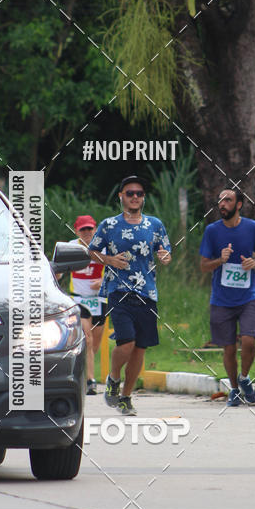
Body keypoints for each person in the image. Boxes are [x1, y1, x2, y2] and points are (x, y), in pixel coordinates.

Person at [88, 176, 172, 415]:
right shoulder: (109, 225)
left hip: (147, 292)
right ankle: (113, 379)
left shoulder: (154, 224)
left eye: (139, 193)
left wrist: (165, 258)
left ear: (143, 198)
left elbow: (165, 252)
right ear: (121, 196)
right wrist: (110, 260)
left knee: (140, 348)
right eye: (130, 193)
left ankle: (126, 397)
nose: (135, 197)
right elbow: (91, 250)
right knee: (127, 342)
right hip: (118, 290)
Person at [199, 188, 255, 406]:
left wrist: (254, 262)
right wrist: (220, 259)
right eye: (220, 200)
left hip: (248, 295)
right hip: (221, 299)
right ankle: (234, 390)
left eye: (227, 200)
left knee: (248, 340)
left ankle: (244, 378)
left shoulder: (252, 228)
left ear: (238, 205)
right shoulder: (212, 231)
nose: (222, 204)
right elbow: (203, 266)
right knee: (228, 347)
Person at [68, 215, 106, 395]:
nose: (87, 233)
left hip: (99, 299)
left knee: (94, 344)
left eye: (90, 229)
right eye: (83, 230)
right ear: (77, 231)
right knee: (87, 339)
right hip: (79, 299)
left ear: (95, 229)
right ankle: (90, 381)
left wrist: (103, 280)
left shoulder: (104, 246)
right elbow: (59, 268)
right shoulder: (71, 247)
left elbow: (118, 269)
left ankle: (84, 371)